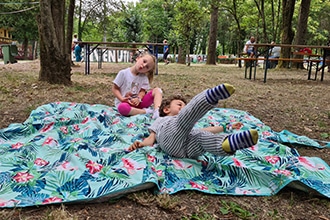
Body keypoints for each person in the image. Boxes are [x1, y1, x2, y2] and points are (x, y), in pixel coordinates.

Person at [129, 84, 259, 159]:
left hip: (186, 151)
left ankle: (227, 144)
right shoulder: (162, 120)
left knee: (201, 137)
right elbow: (152, 137)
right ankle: (208, 98)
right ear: (166, 109)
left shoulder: (184, 123)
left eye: (185, 106)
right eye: (179, 104)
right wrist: (142, 144)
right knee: (183, 121)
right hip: (169, 141)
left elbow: (205, 130)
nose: (183, 108)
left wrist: (226, 127)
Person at [112, 52, 163, 119]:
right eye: (144, 61)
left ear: (147, 71)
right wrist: (122, 99)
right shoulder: (123, 73)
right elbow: (115, 88)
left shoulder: (144, 78)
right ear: (138, 58)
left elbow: (142, 91)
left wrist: (138, 98)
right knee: (122, 108)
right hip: (125, 103)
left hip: (138, 104)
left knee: (157, 90)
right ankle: (145, 111)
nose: (144, 65)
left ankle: (157, 112)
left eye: (147, 67)